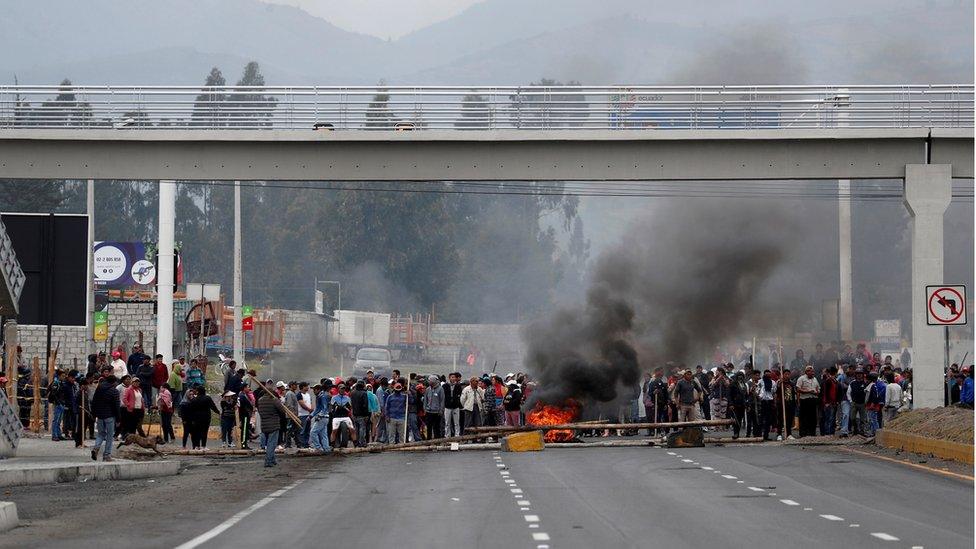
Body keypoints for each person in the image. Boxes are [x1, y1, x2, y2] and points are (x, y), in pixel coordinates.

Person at [90, 375, 120, 462]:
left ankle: (96, 448)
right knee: (110, 436)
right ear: (114, 382)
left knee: (101, 434)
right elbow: (117, 406)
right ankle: (107, 455)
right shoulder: (114, 391)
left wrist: (94, 414)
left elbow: (94, 401)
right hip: (110, 416)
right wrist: (118, 419)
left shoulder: (99, 389)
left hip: (100, 416)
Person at [257, 388, 288, 467]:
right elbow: (282, 410)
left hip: (264, 424)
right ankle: (268, 461)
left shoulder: (260, 400)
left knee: (269, 443)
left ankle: (272, 459)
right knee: (272, 444)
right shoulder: (274, 400)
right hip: (273, 424)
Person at [795, 365, 820, 437]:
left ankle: (812, 433)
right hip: (805, 400)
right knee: (804, 417)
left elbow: (818, 388)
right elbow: (798, 389)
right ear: (806, 372)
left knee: (813, 417)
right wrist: (808, 391)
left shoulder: (815, 379)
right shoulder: (801, 378)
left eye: (813, 371)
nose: (812, 372)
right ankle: (803, 433)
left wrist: (817, 391)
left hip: (813, 399)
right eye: (810, 371)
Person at [307, 384, 332, 452]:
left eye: (314, 390)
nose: (313, 391)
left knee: (313, 432)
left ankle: (318, 447)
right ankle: (326, 448)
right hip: (326, 417)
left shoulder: (322, 396)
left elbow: (324, 407)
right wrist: (311, 415)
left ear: (318, 389)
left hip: (322, 417)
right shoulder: (322, 395)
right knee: (323, 434)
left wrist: (319, 415)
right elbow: (318, 408)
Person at [775, 369, 797, 440]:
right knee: (780, 419)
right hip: (781, 404)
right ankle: (779, 434)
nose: (787, 376)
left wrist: (794, 403)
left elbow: (794, 394)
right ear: (783, 375)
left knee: (789, 420)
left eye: (788, 374)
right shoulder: (780, 382)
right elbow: (776, 391)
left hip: (790, 404)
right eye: (786, 374)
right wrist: (779, 384)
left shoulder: (792, 383)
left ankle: (789, 434)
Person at [848, 370, 870, 436]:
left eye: (860, 374)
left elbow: (868, 393)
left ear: (862, 375)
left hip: (863, 404)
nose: (859, 375)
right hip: (854, 403)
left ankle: (862, 431)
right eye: (857, 374)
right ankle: (855, 429)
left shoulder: (866, 383)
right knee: (852, 418)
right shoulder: (852, 383)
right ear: (855, 375)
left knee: (863, 419)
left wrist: (866, 402)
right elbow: (848, 393)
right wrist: (851, 401)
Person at [757, 370, 777, 441]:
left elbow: (774, 393)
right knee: (761, 419)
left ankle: (766, 435)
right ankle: (759, 435)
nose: (768, 375)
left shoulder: (773, 382)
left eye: (769, 374)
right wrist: (758, 397)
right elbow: (757, 390)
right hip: (762, 402)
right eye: (766, 374)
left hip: (770, 401)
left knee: (768, 419)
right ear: (764, 374)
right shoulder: (760, 381)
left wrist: (774, 403)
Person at [350, 381, 371, 447]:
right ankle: (362, 442)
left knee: (357, 429)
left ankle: (357, 443)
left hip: (355, 413)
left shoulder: (352, 393)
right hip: (362, 414)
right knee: (362, 429)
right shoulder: (364, 393)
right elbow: (365, 405)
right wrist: (367, 415)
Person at [728, 371, 748, 439]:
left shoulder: (744, 384)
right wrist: (731, 404)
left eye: (741, 376)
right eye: (739, 376)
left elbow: (745, 395)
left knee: (740, 419)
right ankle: (736, 433)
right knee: (736, 419)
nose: (740, 377)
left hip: (742, 405)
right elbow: (729, 395)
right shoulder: (733, 384)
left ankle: (738, 433)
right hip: (735, 405)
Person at [443, 372, 463, 438]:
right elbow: (443, 396)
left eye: (454, 377)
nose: (453, 378)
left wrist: (459, 404)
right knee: (447, 422)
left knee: (456, 422)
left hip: (455, 406)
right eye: (452, 377)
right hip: (447, 406)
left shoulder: (458, 386)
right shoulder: (445, 386)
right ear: (449, 378)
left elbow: (460, 396)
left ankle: (457, 435)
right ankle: (447, 435)